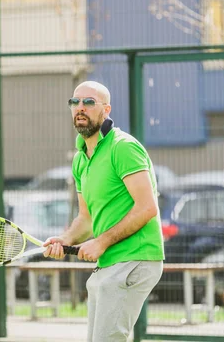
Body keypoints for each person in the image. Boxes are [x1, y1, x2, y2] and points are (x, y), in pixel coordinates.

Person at [43, 81, 164, 342]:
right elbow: (85, 219)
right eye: (75, 102)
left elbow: (147, 208)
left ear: (106, 109)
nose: (80, 108)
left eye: (89, 102)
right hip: (108, 264)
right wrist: (65, 240)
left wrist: (101, 242)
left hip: (136, 259)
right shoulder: (80, 158)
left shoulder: (123, 147)